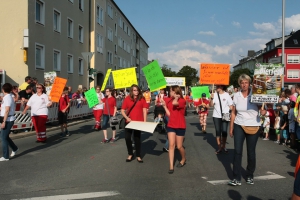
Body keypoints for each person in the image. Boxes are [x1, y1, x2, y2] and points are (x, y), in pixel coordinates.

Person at [228, 74, 266, 186]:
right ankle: (236, 178)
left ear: (249, 83)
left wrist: (263, 112)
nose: (244, 85)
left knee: (251, 152)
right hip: (239, 124)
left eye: (246, 82)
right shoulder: (236, 95)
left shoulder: (256, 94)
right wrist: (231, 127)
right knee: (237, 151)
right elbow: (233, 112)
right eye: (242, 83)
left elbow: (262, 109)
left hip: (254, 125)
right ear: (239, 84)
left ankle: (250, 175)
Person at [161, 85, 186, 174]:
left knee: (179, 146)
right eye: (170, 91)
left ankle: (183, 158)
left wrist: (176, 98)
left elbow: (175, 103)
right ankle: (171, 166)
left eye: (171, 91)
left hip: (180, 125)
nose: (170, 92)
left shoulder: (182, 101)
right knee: (171, 145)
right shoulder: (168, 100)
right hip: (171, 125)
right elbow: (169, 114)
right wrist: (164, 106)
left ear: (176, 92)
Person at [121, 84, 147, 163]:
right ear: (132, 91)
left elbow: (144, 110)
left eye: (137, 90)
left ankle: (138, 155)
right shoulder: (127, 99)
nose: (136, 92)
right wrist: (127, 118)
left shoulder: (142, 98)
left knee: (137, 139)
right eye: (134, 90)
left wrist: (145, 121)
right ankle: (130, 154)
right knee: (127, 138)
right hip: (129, 122)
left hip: (138, 122)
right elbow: (122, 110)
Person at [210, 85, 233, 154]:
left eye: (218, 87)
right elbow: (211, 105)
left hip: (225, 115)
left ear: (222, 87)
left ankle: (224, 146)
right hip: (216, 116)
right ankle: (219, 147)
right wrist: (211, 98)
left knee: (224, 131)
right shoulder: (214, 95)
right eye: (216, 87)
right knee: (218, 131)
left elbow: (231, 105)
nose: (217, 88)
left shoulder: (227, 95)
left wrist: (231, 111)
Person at [0, 83, 19, 161]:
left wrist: (4, 122)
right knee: (5, 136)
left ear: (3, 89)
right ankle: (14, 148)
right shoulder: (7, 97)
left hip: (8, 119)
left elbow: (7, 110)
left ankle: (6, 156)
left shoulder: (8, 98)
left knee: (3, 137)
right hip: (6, 119)